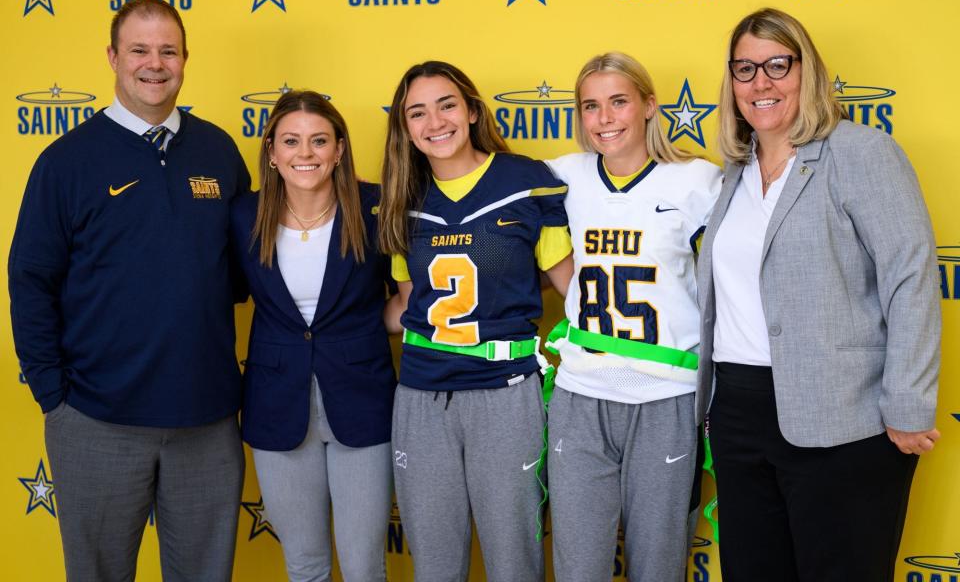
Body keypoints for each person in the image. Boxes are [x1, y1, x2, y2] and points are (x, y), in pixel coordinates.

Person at [8, 0, 250, 581]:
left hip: (207, 420)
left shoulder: (218, 151)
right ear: (113, 57)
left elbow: (248, 273)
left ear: (186, 60)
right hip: (96, 419)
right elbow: (31, 279)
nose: (154, 63)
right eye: (139, 50)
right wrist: (53, 397)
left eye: (168, 50)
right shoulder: (65, 161)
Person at [696, 7, 940, 582]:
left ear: (809, 71)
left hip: (843, 417)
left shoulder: (860, 153)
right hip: (737, 411)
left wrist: (908, 406)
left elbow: (910, 279)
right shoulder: (733, 171)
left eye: (778, 64)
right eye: (745, 69)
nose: (762, 83)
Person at [379, 60, 572, 582]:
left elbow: (572, 287)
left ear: (470, 110)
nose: (434, 122)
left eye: (446, 105)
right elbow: (406, 304)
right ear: (405, 128)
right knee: (435, 564)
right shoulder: (402, 199)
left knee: (514, 561)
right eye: (417, 112)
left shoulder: (526, 180)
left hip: (505, 392)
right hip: (421, 396)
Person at [545, 52, 721, 582]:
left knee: (658, 565)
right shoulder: (563, 176)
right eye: (591, 106)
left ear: (648, 105)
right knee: (578, 567)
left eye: (619, 101)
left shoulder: (696, 180)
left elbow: (731, 281)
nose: (605, 118)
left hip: (665, 396)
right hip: (581, 392)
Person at [229, 90, 395, 582]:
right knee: (305, 565)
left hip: (362, 400)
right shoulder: (243, 216)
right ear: (272, 152)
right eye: (292, 142)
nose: (306, 154)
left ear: (339, 149)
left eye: (319, 141)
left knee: (365, 565)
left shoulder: (376, 206)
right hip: (277, 403)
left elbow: (406, 296)